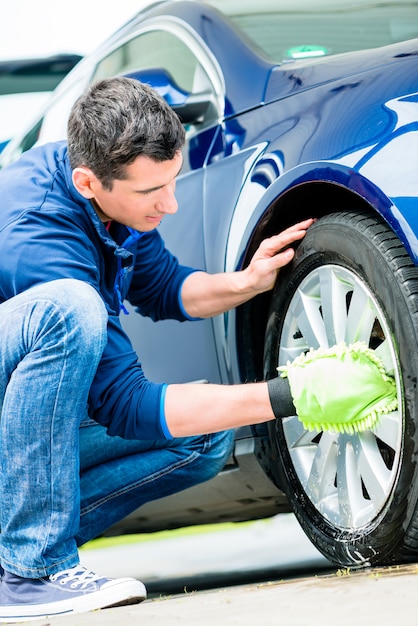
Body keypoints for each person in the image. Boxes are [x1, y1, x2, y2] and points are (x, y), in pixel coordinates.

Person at [0, 77, 393, 622]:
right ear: (87, 182)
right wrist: (292, 394)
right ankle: (29, 571)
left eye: (172, 182)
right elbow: (127, 406)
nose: (171, 203)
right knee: (70, 307)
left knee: (204, 435)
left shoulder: (104, 186)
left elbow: (160, 285)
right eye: (149, 193)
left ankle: (5, 551)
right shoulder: (38, 236)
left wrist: (246, 282)